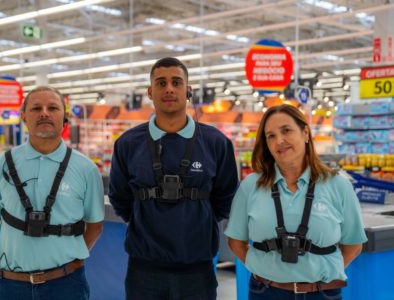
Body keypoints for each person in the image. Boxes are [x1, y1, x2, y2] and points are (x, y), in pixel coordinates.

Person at [108, 57, 239, 300]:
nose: (169, 88)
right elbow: (119, 197)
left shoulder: (215, 143)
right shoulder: (128, 144)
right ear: (150, 91)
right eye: (161, 83)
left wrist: (201, 219)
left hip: (197, 270)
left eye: (176, 82)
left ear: (188, 91)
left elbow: (226, 196)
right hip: (143, 270)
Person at [225, 104, 367, 300]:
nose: (279, 141)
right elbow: (235, 241)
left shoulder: (338, 185)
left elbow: (354, 244)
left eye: (286, 131)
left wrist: (321, 274)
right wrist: (263, 269)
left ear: (306, 133)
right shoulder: (250, 186)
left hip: (322, 294)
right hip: (265, 292)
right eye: (271, 136)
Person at [0, 86, 104, 300]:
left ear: (64, 117)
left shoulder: (86, 168)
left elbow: (95, 226)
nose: (44, 113)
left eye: (52, 108)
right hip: (10, 285)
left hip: (67, 284)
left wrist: (70, 258)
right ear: (23, 116)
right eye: (36, 108)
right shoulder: (0, 166)